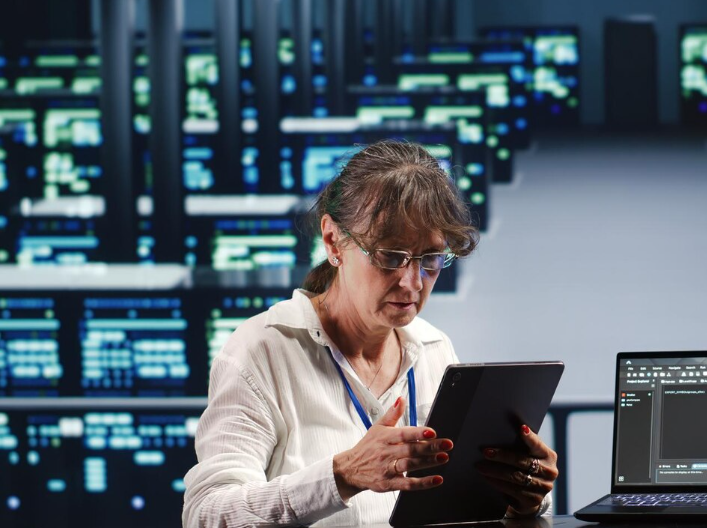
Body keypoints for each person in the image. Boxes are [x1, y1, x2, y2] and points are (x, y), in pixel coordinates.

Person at [183, 141, 558, 527]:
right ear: (333, 241)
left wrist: (520, 498)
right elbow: (207, 513)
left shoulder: (433, 349)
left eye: (430, 259)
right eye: (390, 256)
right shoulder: (262, 351)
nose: (412, 283)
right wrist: (341, 475)